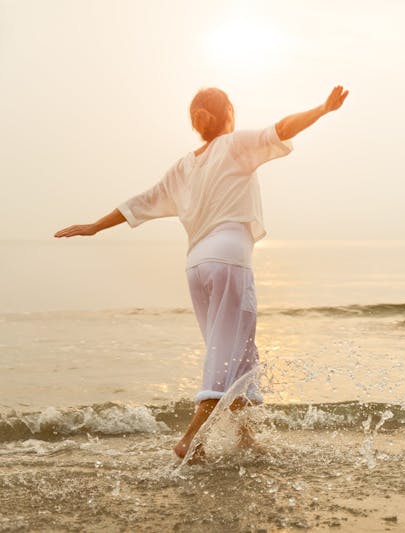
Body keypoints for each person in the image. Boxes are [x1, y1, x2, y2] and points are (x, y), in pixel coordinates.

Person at [54, 85, 349, 462]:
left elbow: (140, 203)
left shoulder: (184, 166)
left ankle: (244, 436)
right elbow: (282, 128)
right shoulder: (234, 145)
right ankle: (192, 440)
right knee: (227, 353)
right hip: (228, 261)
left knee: (235, 350)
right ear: (227, 111)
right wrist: (322, 109)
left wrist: (95, 226)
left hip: (197, 266)